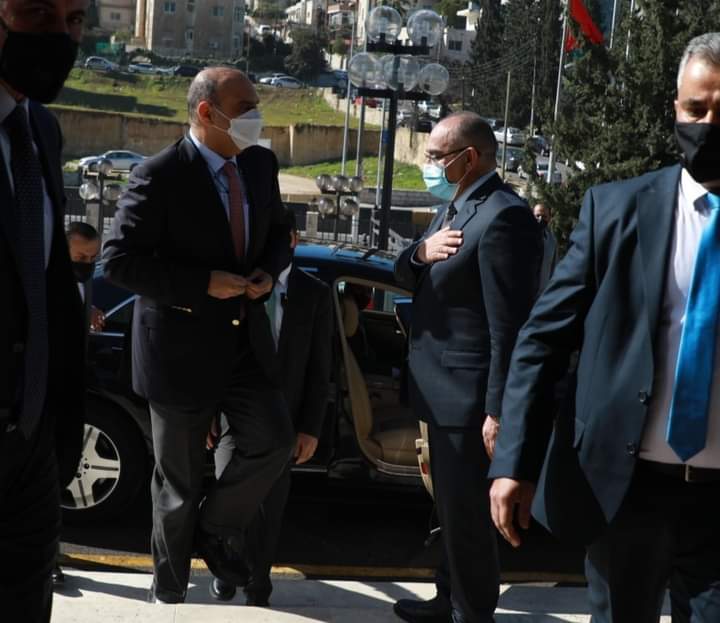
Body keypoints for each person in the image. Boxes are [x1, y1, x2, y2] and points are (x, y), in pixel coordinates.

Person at [489, 32, 720, 623]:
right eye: (697, 109)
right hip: (626, 489)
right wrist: (514, 462)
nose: (709, 125)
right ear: (675, 109)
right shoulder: (615, 210)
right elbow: (542, 340)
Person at [103, 67, 294, 604]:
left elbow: (279, 231)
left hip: (244, 343)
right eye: (246, 106)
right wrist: (201, 283)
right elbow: (118, 262)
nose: (257, 115)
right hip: (178, 352)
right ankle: (169, 594)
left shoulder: (259, 163)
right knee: (178, 485)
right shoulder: (159, 175)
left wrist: (268, 270)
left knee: (274, 441)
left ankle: (215, 528)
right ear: (208, 112)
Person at [393, 112, 542, 623]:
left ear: (469, 158)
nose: (429, 165)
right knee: (451, 511)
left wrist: (498, 410)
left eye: (436, 157)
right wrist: (420, 253)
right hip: (439, 393)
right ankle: (448, 598)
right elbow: (403, 270)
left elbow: (510, 328)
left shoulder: (504, 217)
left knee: (470, 518)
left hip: (470, 399)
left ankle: (472, 613)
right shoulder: (455, 207)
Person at [0, 1, 88, 621]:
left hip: (30, 449)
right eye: (34, 13)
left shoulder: (41, 130)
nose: (58, 36)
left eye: (73, 19)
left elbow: (46, 281)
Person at [209, 207, 333, 606]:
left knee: (270, 507)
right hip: (234, 417)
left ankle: (258, 584)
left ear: (292, 241)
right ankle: (226, 570)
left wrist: (310, 427)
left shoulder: (314, 293)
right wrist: (208, 413)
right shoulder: (235, 286)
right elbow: (211, 355)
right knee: (230, 493)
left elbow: (320, 368)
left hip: (285, 419)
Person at [66, 221, 105, 333]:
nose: (88, 262)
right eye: (81, 257)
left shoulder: (85, 280)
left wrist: (88, 310)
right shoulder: (45, 283)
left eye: (93, 257)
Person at [532, 202, 558, 292]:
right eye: (537, 215)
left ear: (549, 218)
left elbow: (554, 268)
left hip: (542, 293)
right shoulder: (523, 236)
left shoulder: (552, 241)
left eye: (544, 216)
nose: (540, 219)